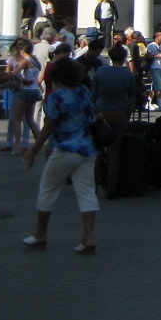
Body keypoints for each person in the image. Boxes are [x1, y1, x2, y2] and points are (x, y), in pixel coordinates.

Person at [22, 56, 100, 253]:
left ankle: (41, 233)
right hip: (87, 148)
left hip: (65, 148)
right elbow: (93, 116)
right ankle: (88, 237)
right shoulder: (83, 91)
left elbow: (49, 126)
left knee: (48, 189)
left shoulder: (57, 98)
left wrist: (33, 150)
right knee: (86, 192)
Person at [90, 44, 135, 199]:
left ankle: (93, 187)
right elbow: (131, 100)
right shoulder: (128, 75)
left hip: (101, 114)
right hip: (119, 114)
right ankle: (112, 188)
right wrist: (127, 117)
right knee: (114, 153)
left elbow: (93, 96)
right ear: (123, 58)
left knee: (96, 152)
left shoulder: (101, 72)